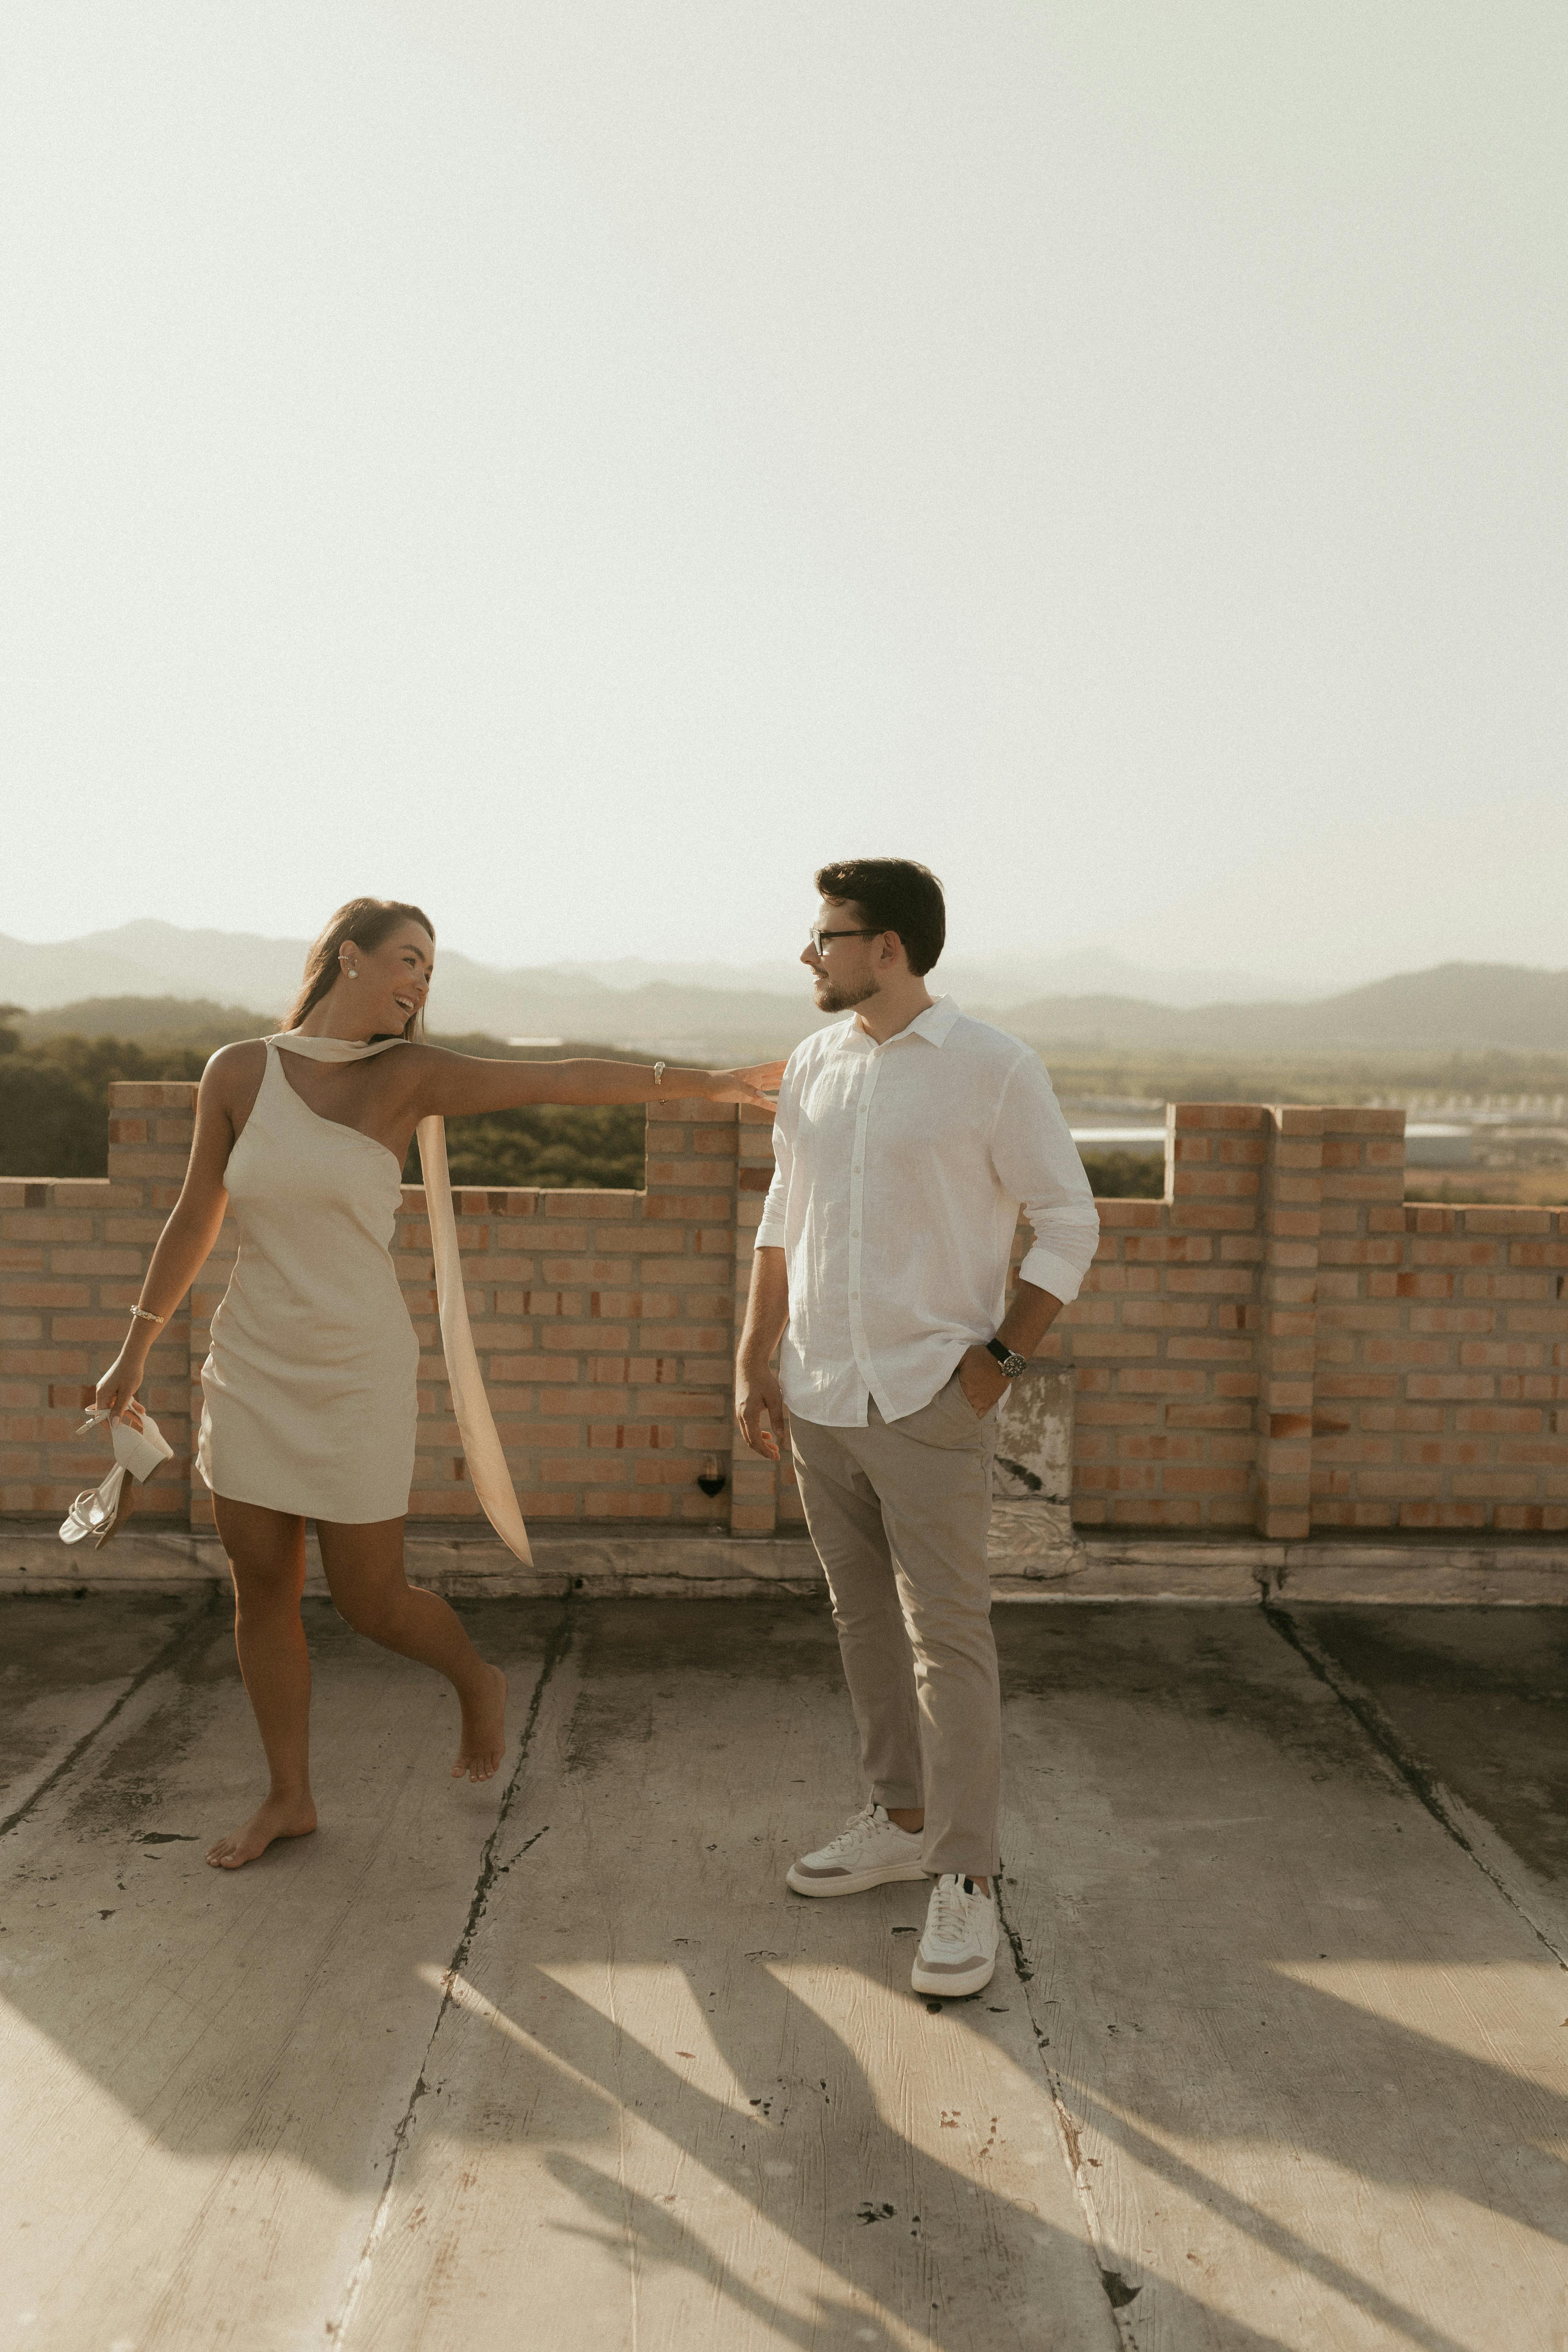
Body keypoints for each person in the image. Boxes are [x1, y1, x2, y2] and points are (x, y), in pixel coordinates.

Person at [94, 898, 780, 1871]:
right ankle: (288, 1797)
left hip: (358, 1370)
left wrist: (710, 1086)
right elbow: (195, 1214)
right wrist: (133, 1348)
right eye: (408, 960)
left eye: (431, 969)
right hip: (249, 1364)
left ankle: (473, 1680)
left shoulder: (408, 1076)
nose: (420, 982)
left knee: (371, 1599)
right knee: (261, 1590)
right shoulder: (240, 1070)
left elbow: (564, 1082)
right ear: (347, 959)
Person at [735, 860, 1099, 1998]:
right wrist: (757, 1358)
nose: (809, 953)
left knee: (952, 1639)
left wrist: (993, 1369)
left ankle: (969, 1876)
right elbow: (783, 1215)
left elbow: (1069, 1224)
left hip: (930, 1398)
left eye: (828, 936)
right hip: (820, 1395)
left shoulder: (993, 1068)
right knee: (861, 1624)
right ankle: (899, 1818)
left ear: (888, 949)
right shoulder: (813, 1061)